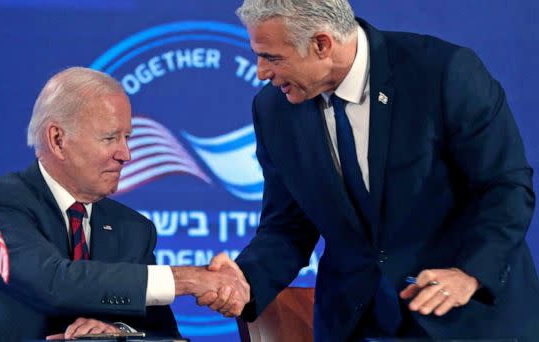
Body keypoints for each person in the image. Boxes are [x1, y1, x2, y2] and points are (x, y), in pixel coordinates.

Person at [202, 0, 539, 341]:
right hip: (357, 323)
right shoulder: (273, 109)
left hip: (467, 321)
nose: (261, 71)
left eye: (272, 57)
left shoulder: (441, 73)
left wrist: (469, 272)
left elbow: (505, 187)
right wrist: (244, 281)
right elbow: (287, 226)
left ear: (322, 44)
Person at [0, 67, 249, 341]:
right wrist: (191, 279)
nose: (126, 154)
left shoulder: (133, 229)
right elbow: (55, 282)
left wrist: (120, 334)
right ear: (58, 139)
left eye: (127, 137)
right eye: (110, 138)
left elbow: (165, 337)